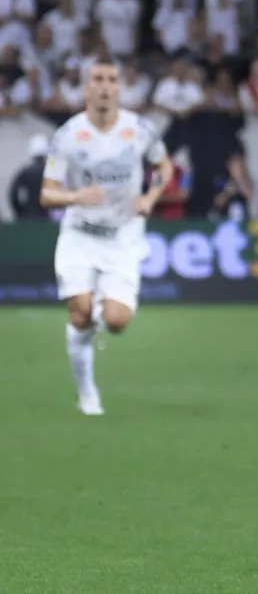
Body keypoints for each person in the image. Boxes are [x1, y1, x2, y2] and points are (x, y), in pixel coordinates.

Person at [39, 56, 173, 415]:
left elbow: (164, 165)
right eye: (97, 78)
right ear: (86, 87)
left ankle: (99, 318)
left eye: (111, 79)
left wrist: (150, 196)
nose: (104, 85)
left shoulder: (138, 129)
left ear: (119, 87)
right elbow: (47, 193)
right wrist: (76, 197)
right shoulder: (68, 135)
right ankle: (86, 392)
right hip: (80, 234)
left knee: (116, 322)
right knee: (81, 313)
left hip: (123, 235)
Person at [8, 134, 50, 220]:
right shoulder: (52, 172)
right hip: (48, 218)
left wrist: (20, 213)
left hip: (29, 216)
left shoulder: (25, 172)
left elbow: (13, 193)